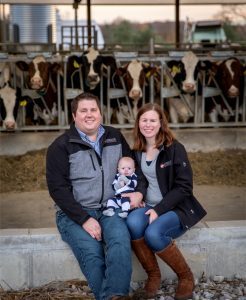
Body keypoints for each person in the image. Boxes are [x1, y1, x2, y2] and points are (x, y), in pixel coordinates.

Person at [46, 92, 145, 300]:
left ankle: (115, 295)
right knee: (92, 253)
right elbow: (57, 189)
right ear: (74, 116)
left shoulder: (115, 137)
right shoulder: (60, 146)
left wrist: (139, 192)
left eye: (93, 110)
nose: (89, 115)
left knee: (119, 241)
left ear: (101, 113)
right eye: (83, 110)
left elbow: (134, 168)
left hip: (111, 207)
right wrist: (84, 219)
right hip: (75, 213)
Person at [126, 103, 207, 300]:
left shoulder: (174, 148)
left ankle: (186, 277)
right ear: (138, 123)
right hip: (149, 205)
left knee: (153, 233)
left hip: (175, 207)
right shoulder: (137, 149)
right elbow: (142, 181)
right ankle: (154, 275)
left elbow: (184, 186)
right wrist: (139, 195)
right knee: (133, 223)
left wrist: (159, 210)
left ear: (161, 123)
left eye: (152, 120)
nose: (148, 124)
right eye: (144, 120)